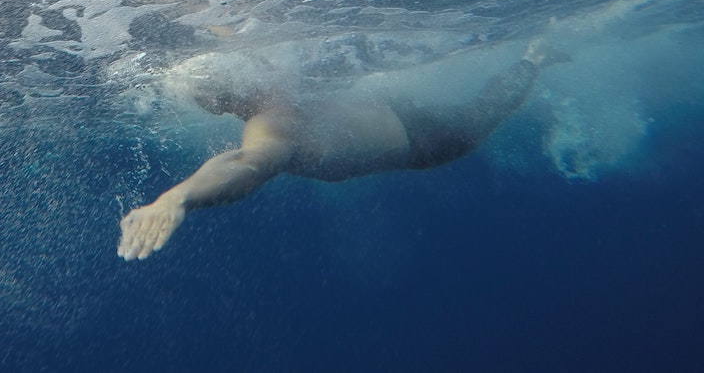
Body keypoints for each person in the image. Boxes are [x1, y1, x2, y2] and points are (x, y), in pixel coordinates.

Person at [118, 39, 564, 261]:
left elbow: (247, 164)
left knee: (487, 109)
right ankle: (533, 59)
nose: (209, 112)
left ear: (221, 100)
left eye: (206, 102)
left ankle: (536, 58)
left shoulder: (272, 124)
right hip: (395, 113)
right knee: (484, 105)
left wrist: (178, 196)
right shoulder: (273, 79)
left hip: (428, 140)